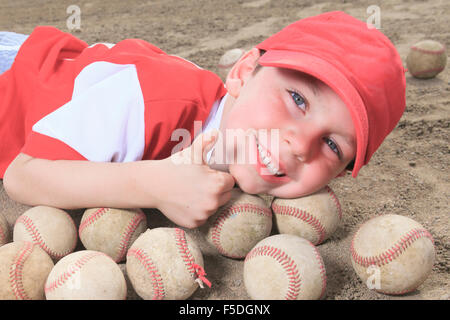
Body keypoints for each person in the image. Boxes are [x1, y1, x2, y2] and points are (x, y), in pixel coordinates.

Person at [0, 11, 406, 228]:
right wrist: (155, 184)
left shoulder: (234, 131)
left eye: (333, 146)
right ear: (243, 73)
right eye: (297, 99)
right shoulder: (153, 101)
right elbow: (23, 176)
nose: (301, 145)